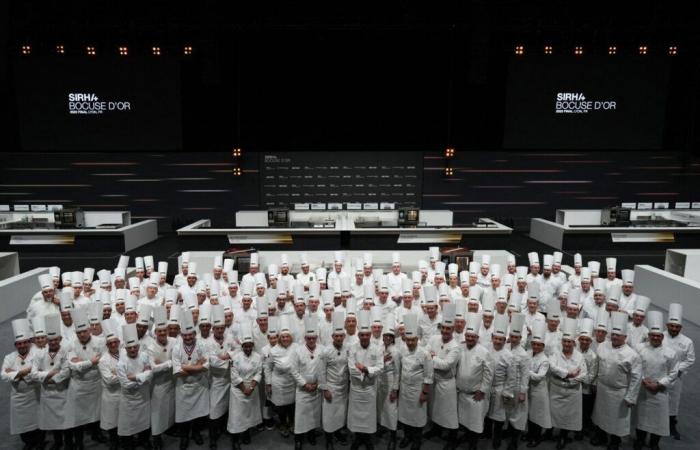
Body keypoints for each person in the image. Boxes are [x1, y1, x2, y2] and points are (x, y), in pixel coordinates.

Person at [591, 312, 642, 450]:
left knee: (617, 420)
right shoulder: (602, 346)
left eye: (618, 335)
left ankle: (615, 441)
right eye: (613, 334)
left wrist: (631, 396)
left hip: (619, 392)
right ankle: (601, 436)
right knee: (600, 415)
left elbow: (636, 378)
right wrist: (594, 382)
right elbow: (597, 366)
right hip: (602, 388)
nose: (614, 337)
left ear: (625, 337)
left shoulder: (632, 355)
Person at [634, 311, 679, 450]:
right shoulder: (639, 348)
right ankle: (640, 441)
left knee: (658, 419)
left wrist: (659, 384)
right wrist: (642, 381)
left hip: (660, 391)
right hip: (642, 388)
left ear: (662, 336)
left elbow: (674, 372)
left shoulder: (670, 353)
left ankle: (654, 443)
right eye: (652, 335)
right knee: (641, 417)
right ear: (648, 336)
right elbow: (635, 367)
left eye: (658, 335)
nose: (655, 337)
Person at [66, 307, 107, 448]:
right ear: (75, 332)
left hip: (96, 383)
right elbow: (73, 366)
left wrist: (81, 363)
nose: (82, 334)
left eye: (84, 331)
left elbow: (103, 360)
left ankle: (97, 434)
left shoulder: (100, 342)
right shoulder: (70, 343)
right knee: (78, 416)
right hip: (79, 385)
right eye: (79, 332)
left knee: (96, 411)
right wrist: (91, 362)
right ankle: (79, 442)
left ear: (89, 330)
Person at [32, 314, 71, 450]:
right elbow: (33, 373)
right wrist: (51, 373)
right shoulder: (39, 354)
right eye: (50, 340)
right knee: (52, 420)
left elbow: (66, 372)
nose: (53, 342)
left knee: (66, 420)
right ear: (47, 340)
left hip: (63, 392)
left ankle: (69, 443)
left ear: (60, 339)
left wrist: (47, 378)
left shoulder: (65, 352)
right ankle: (58, 442)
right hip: (47, 394)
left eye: (55, 340)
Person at [172, 309, 210, 450]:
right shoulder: (176, 348)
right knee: (183, 416)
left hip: (199, 386)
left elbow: (207, 366)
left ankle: (196, 433)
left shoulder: (201, 345)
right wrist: (196, 366)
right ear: (181, 335)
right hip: (183, 388)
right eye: (185, 335)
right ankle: (184, 437)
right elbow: (176, 372)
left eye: (190, 335)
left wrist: (185, 367)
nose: (188, 337)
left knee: (198, 414)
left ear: (194, 334)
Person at [456, 312, 494, 450]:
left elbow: (489, 374)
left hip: (475, 395)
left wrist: (483, 390)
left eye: (473, 336)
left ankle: (473, 445)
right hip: (461, 393)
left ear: (477, 337)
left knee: (475, 423)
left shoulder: (484, 352)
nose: (470, 338)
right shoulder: (460, 348)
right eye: (468, 336)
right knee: (464, 421)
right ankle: (467, 437)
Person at [424, 304, 460, 449]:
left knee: (449, 412)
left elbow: (446, 365)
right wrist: (433, 357)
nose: (445, 331)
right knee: (435, 409)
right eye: (443, 328)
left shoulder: (455, 347)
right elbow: (425, 352)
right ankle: (436, 430)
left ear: (452, 329)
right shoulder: (434, 338)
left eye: (448, 328)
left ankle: (452, 438)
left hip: (447, 383)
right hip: (434, 381)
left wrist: (432, 357)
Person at [347, 309, 384, 450]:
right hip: (356, 388)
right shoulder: (352, 348)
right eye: (362, 335)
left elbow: (380, 367)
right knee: (356, 415)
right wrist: (366, 371)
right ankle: (357, 439)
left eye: (367, 335)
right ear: (358, 334)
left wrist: (365, 369)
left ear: (370, 335)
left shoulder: (377, 348)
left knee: (368, 416)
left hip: (370, 389)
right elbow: (351, 368)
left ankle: (367, 439)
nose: (364, 337)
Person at [548, 318, 587, 449]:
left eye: (569, 342)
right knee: (554, 414)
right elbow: (552, 366)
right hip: (556, 391)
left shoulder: (580, 356)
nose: (567, 344)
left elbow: (583, 374)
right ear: (562, 342)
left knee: (568, 417)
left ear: (573, 343)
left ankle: (563, 437)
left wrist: (567, 380)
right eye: (565, 341)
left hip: (572, 392)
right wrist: (568, 373)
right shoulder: (555, 353)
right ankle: (550, 433)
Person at [2, 318, 41, 449]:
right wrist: (26, 371)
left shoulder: (36, 354)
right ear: (15, 345)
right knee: (22, 423)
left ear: (29, 343)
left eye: (25, 342)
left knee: (38, 420)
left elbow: (36, 374)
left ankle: (40, 442)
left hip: (35, 394)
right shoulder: (9, 357)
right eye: (19, 343)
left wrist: (15, 373)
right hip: (18, 397)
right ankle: (28, 444)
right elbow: (3, 375)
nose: (22, 345)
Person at [397, 313, 434, 450]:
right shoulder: (402, 350)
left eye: (413, 340)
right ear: (405, 339)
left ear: (417, 339)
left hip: (418, 390)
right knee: (406, 416)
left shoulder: (424, 354)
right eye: (408, 340)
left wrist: (425, 392)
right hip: (405, 389)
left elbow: (428, 375)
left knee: (417, 416)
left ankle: (417, 440)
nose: (410, 342)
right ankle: (407, 436)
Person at [227, 322, 263, 450]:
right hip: (238, 390)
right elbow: (234, 375)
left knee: (249, 414)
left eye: (249, 346)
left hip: (252, 389)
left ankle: (246, 432)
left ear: (253, 346)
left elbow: (259, 372)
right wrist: (244, 389)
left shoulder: (258, 357)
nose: (247, 349)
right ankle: (235, 439)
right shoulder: (235, 358)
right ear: (242, 346)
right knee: (237, 415)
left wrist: (251, 387)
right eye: (245, 346)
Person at [117, 323, 153, 449]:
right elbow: (126, 385)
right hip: (129, 401)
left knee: (144, 423)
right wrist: (143, 375)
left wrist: (135, 377)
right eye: (130, 347)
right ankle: (128, 444)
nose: (133, 349)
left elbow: (150, 373)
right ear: (125, 348)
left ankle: (144, 441)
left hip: (143, 398)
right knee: (128, 425)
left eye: (135, 347)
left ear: (138, 346)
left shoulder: (144, 356)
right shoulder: (121, 363)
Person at [291, 316, 325, 449]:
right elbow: (294, 371)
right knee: (300, 415)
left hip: (316, 388)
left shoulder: (322, 349)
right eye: (309, 338)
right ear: (305, 338)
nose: (311, 340)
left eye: (314, 338)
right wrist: (305, 384)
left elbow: (324, 369)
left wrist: (318, 384)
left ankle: (311, 434)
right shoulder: (298, 350)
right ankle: (298, 438)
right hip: (303, 389)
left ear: (317, 338)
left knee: (313, 414)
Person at [320, 311, 351, 450]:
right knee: (329, 415)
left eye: (341, 336)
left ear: (344, 336)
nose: (339, 338)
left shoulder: (348, 349)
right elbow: (321, 372)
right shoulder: (326, 351)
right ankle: (328, 439)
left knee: (340, 413)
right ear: (332, 336)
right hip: (331, 388)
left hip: (343, 388)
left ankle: (338, 433)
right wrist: (325, 389)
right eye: (336, 336)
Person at [663, 303, 695, 440]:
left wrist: (678, 370)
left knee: (673, 401)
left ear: (680, 327)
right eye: (672, 326)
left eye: (677, 327)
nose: (674, 329)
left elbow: (690, 359)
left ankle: (671, 425)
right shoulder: (660, 336)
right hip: (659, 374)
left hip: (676, 378)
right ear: (667, 325)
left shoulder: (687, 341)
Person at [147, 306, 177, 450]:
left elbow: (179, 360)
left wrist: (163, 364)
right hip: (157, 385)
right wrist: (170, 362)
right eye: (160, 331)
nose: (163, 333)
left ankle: (167, 430)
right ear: (155, 333)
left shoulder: (174, 341)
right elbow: (154, 368)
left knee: (169, 409)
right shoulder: (151, 346)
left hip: (171, 382)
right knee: (157, 412)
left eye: (165, 330)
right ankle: (156, 437)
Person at [485, 314, 516, 450]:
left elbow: (512, 376)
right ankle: (486, 433)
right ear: (492, 338)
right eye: (496, 338)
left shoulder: (509, 356)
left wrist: (507, 392)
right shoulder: (486, 349)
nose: (497, 341)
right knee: (485, 412)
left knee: (498, 416)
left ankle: (496, 437)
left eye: (501, 339)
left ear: (505, 340)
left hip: (499, 388)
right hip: (486, 387)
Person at [265, 316, 298, 438]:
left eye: (287, 336)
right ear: (279, 338)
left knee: (292, 405)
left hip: (293, 382)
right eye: (283, 337)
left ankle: (293, 423)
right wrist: (268, 383)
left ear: (291, 337)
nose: (285, 339)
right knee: (281, 407)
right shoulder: (273, 350)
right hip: (278, 383)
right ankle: (283, 424)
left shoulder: (296, 347)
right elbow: (267, 367)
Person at [98, 319, 122, 450]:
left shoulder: (124, 354)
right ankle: (113, 442)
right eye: (110, 343)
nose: (113, 345)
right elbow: (109, 380)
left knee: (123, 421)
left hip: (124, 394)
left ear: (119, 343)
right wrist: (124, 374)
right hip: (111, 396)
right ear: (107, 345)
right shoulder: (103, 360)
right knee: (112, 422)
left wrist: (116, 373)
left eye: (115, 342)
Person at [525, 321, 550, 448]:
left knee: (537, 415)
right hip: (528, 389)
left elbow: (539, 377)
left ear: (543, 346)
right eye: (533, 344)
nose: (535, 346)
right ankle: (530, 434)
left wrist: (525, 371)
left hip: (539, 391)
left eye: (538, 344)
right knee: (529, 413)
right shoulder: (528, 353)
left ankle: (537, 437)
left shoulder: (545, 360)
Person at [377, 317, 401, 450]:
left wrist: (394, 390)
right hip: (380, 383)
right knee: (381, 409)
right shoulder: (379, 348)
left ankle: (393, 436)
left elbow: (397, 372)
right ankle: (383, 428)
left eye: (389, 336)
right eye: (385, 336)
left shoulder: (395, 352)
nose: (386, 338)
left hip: (390, 382)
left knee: (391, 410)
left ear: (392, 338)